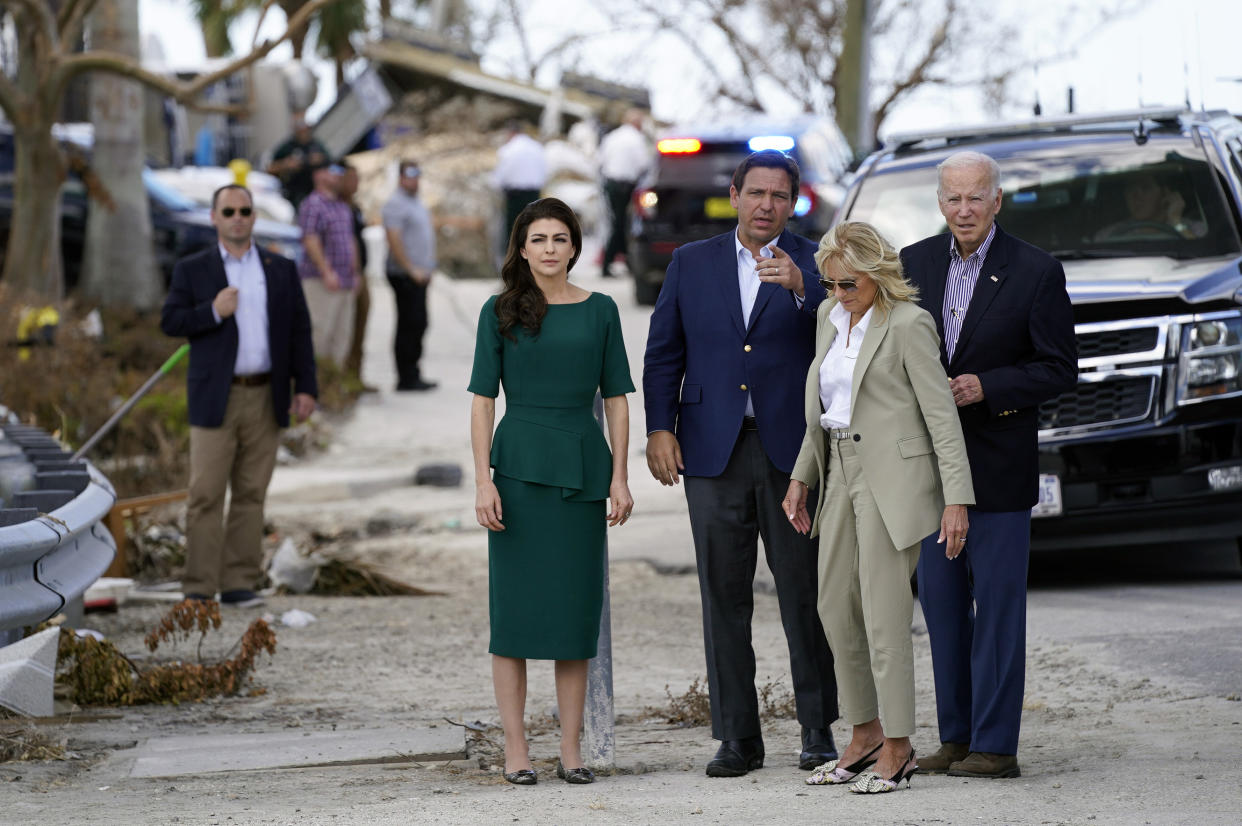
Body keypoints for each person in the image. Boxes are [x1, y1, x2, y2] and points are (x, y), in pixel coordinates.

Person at [643, 150, 839, 778]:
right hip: (712, 451)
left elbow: (847, 340)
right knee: (723, 599)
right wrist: (659, 429)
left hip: (795, 456)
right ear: (734, 195)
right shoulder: (689, 263)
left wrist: (806, 294)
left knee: (805, 595)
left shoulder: (819, 263)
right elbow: (663, 354)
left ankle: (818, 730)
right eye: (755, 194)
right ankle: (736, 737)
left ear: (794, 202)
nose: (766, 206)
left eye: (779, 197)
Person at [900, 150, 1077, 779]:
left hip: (998, 465)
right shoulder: (912, 263)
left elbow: (1059, 368)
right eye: (953, 198)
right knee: (943, 609)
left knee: (998, 609)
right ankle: (956, 738)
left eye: (977, 197)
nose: (964, 210)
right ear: (940, 202)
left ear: (997, 200)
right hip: (928, 472)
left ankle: (996, 746)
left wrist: (990, 386)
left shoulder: (1034, 270)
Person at [784, 222, 974, 794]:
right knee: (834, 609)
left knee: (884, 615)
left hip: (895, 479)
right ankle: (863, 735)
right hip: (836, 468)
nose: (837, 293)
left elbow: (941, 416)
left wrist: (957, 499)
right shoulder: (827, 317)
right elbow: (829, 408)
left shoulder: (910, 325)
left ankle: (899, 747)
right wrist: (801, 476)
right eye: (829, 283)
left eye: (848, 284)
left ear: (878, 276)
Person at [469, 198, 635, 786]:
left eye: (559, 239)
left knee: (573, 618)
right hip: (515, 473)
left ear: (574, 247)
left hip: (583, 472)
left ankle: (571, 750)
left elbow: (616, 397)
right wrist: (484, 479)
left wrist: (619, 476)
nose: (548, 249)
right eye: (537, 239)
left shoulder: (602, 311)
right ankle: (517, 750)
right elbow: (483, 400)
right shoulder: (499, 311)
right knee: (512, 619)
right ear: (521, 247)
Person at [160, 183, 318, 607]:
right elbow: (171, 321)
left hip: (265, 395)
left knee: (251, 494)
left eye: (244, 211)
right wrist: (213, 311)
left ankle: (238, 584)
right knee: (206, 494)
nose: (237, 218)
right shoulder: (193, 269)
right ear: (214, 217)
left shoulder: (279, 268)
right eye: (228, 211)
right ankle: (198, 587)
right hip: (216, 396)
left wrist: (305, 387)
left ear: (254, 217)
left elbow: (299, 331)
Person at [297, 160, 360, 368]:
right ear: (318, 175)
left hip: (346, 281)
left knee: (341, 338)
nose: (337, 175)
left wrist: (355, 272)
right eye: (331, 170)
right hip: (320, 281)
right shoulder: (312, 204)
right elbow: (310, 239)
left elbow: (350, 240)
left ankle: (334, 389)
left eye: (339, 171)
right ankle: (316, 389)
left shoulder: (342, 205)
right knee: (320, 336)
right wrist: (326, 271)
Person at [382, 159, 438, 391]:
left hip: (420, 274)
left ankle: (413, 372)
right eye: (409, 175)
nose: (414, 180)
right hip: (405, 274)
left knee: (419, 323)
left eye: (417, 175)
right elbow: (393, 238)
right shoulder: (396, 203)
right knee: (409, 323)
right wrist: (410, 268)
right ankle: (406, 377)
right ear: (400, 177)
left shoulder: (416, 202)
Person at [597, 108, 651, 276]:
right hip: (626, 186)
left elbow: (600, 160)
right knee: (622, 225)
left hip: (610, 184)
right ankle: (609, 264)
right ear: (637, 123)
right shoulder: (636, 139)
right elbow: (643, 164)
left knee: (618, 223)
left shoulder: (612, 137)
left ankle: (625, 261)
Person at [341, 162, 376, 392]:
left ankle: (356, 375)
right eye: (352, 178)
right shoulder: (338, 206)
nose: (356, 183)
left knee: (361, 322)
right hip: (349, 275)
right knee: (347, 327)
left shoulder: (354, 206)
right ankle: (344, 378)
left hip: (361, 272)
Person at [492, 121, 547, 246]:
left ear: (511, 133)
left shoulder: (508, 149)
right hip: (534, 193)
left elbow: (500, 176)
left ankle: (513, 260)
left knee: (514, 229)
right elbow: (544, 171)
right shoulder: (537, 147)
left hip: (515, 194)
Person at [267, 111, 329, 208]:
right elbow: (269, 169)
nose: (302, 129)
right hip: (293, 194)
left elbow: (331, 165)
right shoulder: (287, 147)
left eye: (304, 125)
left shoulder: (316, 145)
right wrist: (285, 165)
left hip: (316, 194)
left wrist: (318, 161)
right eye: (299, 125)